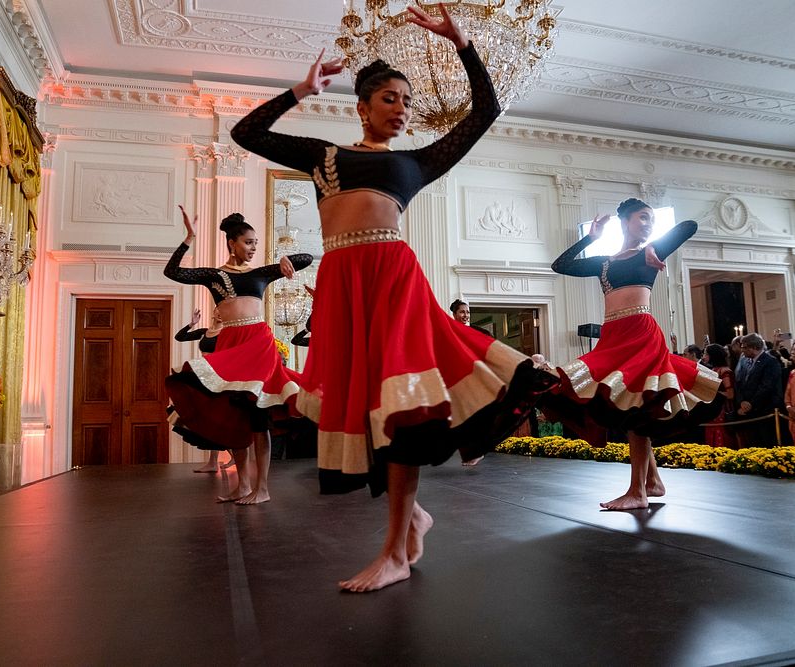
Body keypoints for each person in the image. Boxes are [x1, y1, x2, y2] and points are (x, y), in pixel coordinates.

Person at [231, 4, 554, 591]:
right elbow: (245, 133)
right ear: (363, 105)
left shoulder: (417, 162)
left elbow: (486, 111)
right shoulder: (326, 156)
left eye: (407, 101)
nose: (402, 109)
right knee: (366, 409)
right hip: (344, 287)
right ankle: (411, 523)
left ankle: (396, 552)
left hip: (393, 283)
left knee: (400, 405)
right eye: (391, 99)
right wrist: (300, 89)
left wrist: (462, 43)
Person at [546, 198, 721, 510]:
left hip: (640, 332)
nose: (648, 224)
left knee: (639, 405)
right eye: (642, 218)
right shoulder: (604, 263)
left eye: (651, 219)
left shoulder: (650, 251)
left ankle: (637, 492)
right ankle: (652, 482)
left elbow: (689, 226)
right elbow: (560, 265)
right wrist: (592, 237)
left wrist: (656, 245)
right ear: (625, 222)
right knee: (622, 404)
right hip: (612, 336)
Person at [165, 207, 312, 504]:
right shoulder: (214, 275)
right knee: (237, 418)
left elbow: (306, 259)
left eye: (256, 243)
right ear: (232, 242)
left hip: (258, 344)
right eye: (248, 242)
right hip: (230, 344)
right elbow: (173, 272)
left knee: (258, 417)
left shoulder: (261, 273)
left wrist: (286, 260)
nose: (253, 248)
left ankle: (263, 489)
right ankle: (243, 485)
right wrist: (189, 238)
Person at [173, 308, 229, 473]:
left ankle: (225, 457)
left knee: (217, 416)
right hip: (203, 373)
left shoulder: (227, 333)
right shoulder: (205, 332)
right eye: (217, 310)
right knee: (204, 416)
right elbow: (180, 337)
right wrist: (192, 323)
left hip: (217, 374)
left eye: (222, 311)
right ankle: (213, 462)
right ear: (213, 313)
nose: (219, 313)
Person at [729, 333, 784, 447]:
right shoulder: (744, 361)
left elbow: (767, 386)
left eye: (744, 347)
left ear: (754, 348)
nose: (742, 350)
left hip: (764, 410)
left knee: (767, 443)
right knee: (752, 443)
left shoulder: (770, 362)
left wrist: (751, 403)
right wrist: (742, 402)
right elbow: (738, 383)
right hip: (748, 412)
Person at [702, 344, 736, 449]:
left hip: (722, 411)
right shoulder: (714, 370)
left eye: (706, 354)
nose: (704, 357)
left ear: (713, 355)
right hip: (712, 410)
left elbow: (730, 394)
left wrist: (712, 392)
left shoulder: (725, 371)